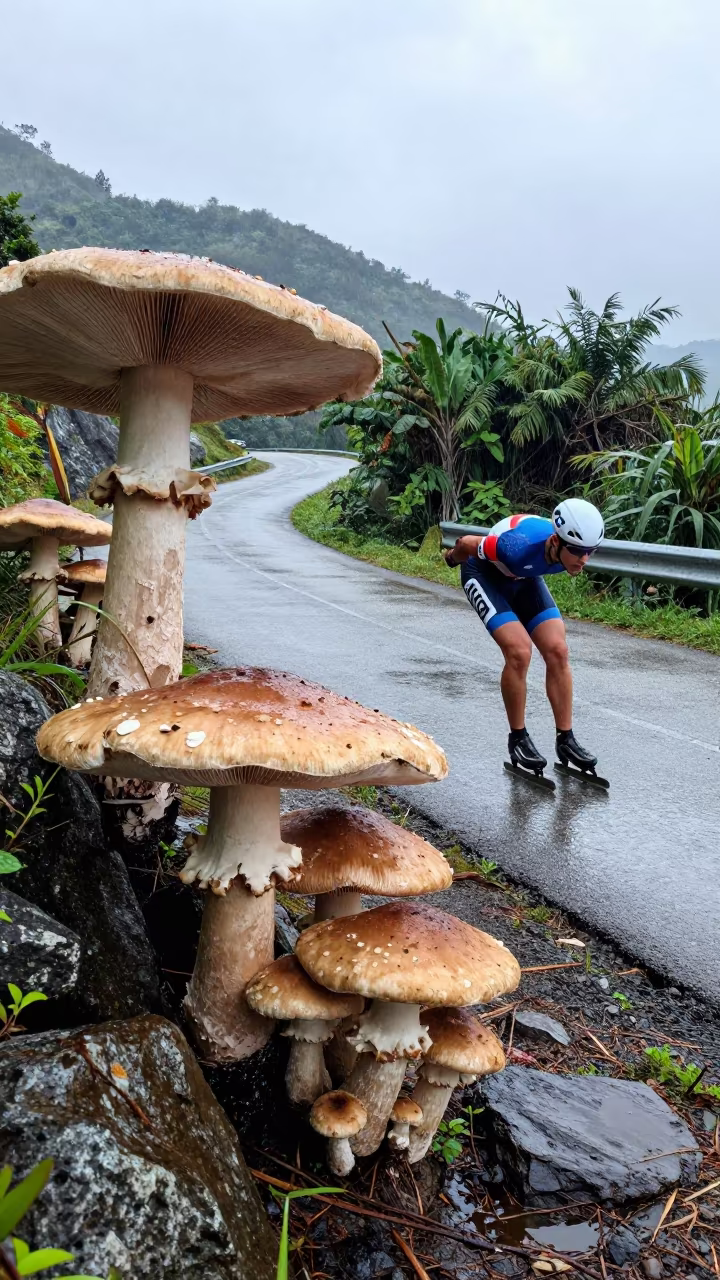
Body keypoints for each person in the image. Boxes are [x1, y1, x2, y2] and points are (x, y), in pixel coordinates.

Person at [443, 497, 605, 774]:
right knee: (519, 652)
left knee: (558, 650)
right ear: (556, 541)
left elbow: (546, 563)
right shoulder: (515, 546)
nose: (584, 559)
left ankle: (565, 739)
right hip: (483, 574)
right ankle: (517, 737)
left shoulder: (562, 551)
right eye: (578, 551)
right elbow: (466, 543)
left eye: (590, 551)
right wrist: (450, 559)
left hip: (524, 578)